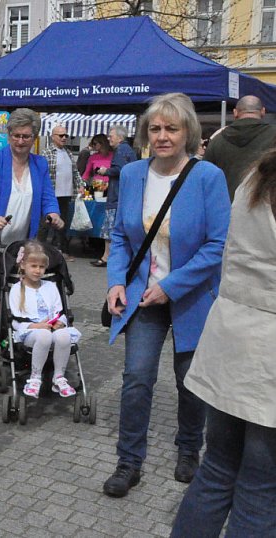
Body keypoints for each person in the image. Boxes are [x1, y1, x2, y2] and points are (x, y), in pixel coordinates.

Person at [102, 92, 230, 499]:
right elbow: (121, 235)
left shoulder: (208, 176)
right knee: (137, 377)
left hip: (190, 294)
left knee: (189, 380)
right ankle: (129, 461)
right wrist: (116, 281)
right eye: (155, 128)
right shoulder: (136, 173)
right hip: (142, 294)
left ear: (188, 131)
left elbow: (217, 244)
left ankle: (190, 448)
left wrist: (170, 287)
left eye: (171, 128)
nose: (162, 136)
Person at [171, 149, 276, 537]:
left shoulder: (256, 174)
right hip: (265, 359)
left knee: (217, 470)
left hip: (233, 341)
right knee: (260, 488)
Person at [0, 107, 64, 303]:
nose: (20, 141)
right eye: (16, 135)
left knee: (14, 301)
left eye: (26, 136)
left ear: (34, 137)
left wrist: (54, 213)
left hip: (18, 248)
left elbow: (48, 197)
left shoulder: (39, 164)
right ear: (8, 135)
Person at [9, 241, 81, 399]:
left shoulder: (50, 287)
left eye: (41, 267)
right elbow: (15, 319)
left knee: (64, 336)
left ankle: (59, 377)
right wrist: (37, 325)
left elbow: (59, 310)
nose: (37, 270)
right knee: (44, 335)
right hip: (30, 332)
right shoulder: (16, 290)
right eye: (33, 266)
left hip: (52, 329)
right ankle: (35, 377)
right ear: (23, 266)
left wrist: (59, 321)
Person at [204, 94, 276, 201]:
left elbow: (206, 179)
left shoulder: (217, 140)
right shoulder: (273, 135)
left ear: (235, 112)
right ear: (263, 111)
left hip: (228, 208)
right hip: (266, 208)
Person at [92, 125, 137, 267]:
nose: (109, 138)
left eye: (111, 136)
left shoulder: (121, 150)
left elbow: (121, 170)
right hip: (121, 195)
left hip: (117, 196)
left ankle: (108, 257)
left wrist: (106, 171)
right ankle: (108, 256)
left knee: (111, 229)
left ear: (120, 137)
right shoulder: (127, 149)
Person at [39, 124, 84, 261]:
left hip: (66, 194)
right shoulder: (46, 153)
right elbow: (41, 174)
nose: (64, 138)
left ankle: (62, 250)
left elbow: (75, 172)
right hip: (51, 194)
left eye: (66, 135)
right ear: (53, 137)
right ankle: (39, 250)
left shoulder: (69, 153)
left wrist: (80, 185)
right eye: (61, 135)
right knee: (45, 224)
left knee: (63, 224)